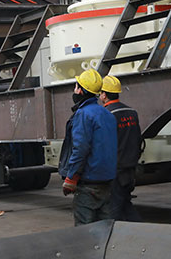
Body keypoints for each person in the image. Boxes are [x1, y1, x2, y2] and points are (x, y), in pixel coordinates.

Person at [58, 69, 117, 226]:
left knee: (85, 232)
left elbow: (80, 149)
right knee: (105, 229)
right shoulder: (107, 114)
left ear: (81, 90)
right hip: (107, 181)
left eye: (76, 86)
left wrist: (71, 178)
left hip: (88, 183)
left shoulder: (83, 114)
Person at [101, 75, 142, 221]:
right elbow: (138, 140)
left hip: (115, 170)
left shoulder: (107, 115)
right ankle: (140, 232)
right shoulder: (132, 112)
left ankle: (114, 239)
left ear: (104, 95)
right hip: (130, 168)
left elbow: (104, 145)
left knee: (114, 210)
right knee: (125, 204)